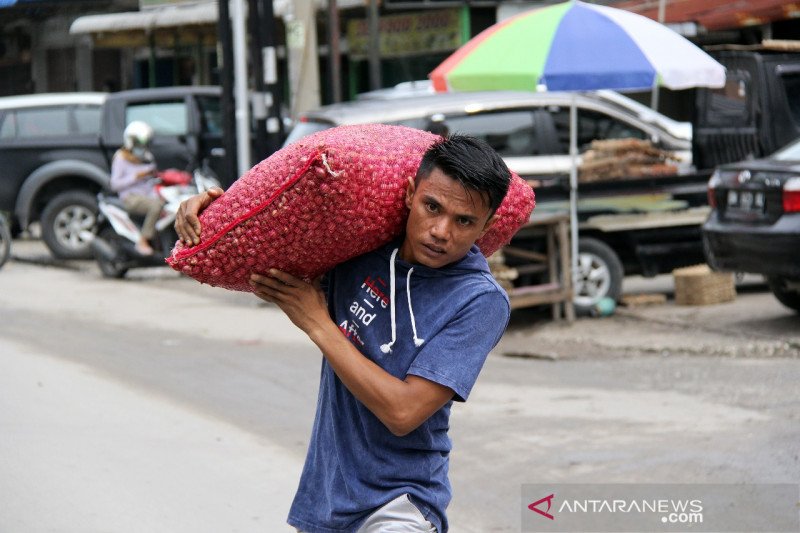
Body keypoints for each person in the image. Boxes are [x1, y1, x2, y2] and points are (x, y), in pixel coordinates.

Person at [175, 135, 512, 532]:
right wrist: (211, 213)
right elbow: (260, 261)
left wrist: (317, 322)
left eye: (464, 221)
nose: (440, 231)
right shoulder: (358, 250)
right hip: (324, 502)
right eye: (432, 207)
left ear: (487, 225)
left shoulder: (478, 300)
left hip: (399, 506)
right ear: (409, 195)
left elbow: (403, 413)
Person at [110, 121, 163, 256]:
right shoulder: (121, 157)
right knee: (156, 205)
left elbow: (152, 181)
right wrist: (136, 176)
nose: (142, 146)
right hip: (130, 198)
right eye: (139, 143)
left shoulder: (147, 157)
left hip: (148, 196)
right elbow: (115, 184)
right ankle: (143, 241)